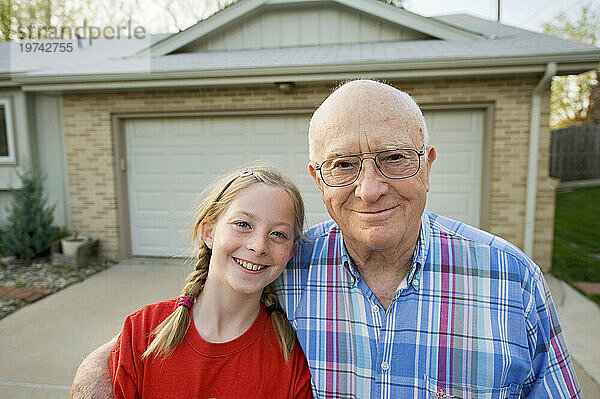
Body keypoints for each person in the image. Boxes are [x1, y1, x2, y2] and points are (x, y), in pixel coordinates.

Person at [71, 80, 581, 398]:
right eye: (344, 164)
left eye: (394, 158)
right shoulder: (287, 262)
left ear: (426, 165)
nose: (371, 188)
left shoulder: (508, 279)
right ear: (319, 178)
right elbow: (176, 330)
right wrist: (94, 376)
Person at [106, 165, 312, 398]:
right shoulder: (141, 332)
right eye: (243, 224)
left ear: (291, 252)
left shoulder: (291, 358)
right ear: (209, 232)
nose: (258, 246)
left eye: (278, 234)